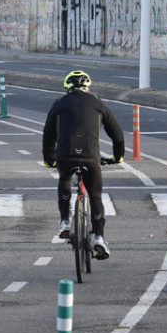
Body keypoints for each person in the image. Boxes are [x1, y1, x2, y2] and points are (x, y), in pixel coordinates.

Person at [42, 70, 125, 260]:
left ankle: (64, 222)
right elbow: (117, 133)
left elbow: (48, 134)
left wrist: (49, 159)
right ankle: (99, 238)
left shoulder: (59, 103)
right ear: (88, 88)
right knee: (95, 196)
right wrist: (117, 157)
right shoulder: (97, 103)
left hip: (65, 155)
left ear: (67, 88)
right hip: (90, 156)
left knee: (64, 178)